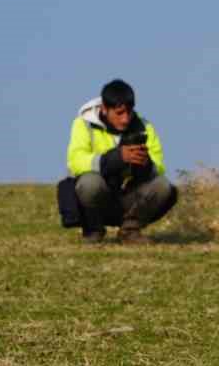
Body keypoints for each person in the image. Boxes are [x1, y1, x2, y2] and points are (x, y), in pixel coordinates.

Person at [65, 79, 177, 244]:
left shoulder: (144, 126)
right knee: (89, 183)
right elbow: (75, 161)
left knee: (164, 186)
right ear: (104, 108)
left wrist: (146, 164)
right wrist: (116, 158)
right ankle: (93, 230)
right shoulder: (83, 124)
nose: (125, 119)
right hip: (100, 197)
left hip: (131, 199)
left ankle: (130, 231)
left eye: (129, 112)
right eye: (119, 113)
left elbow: (159, 166)